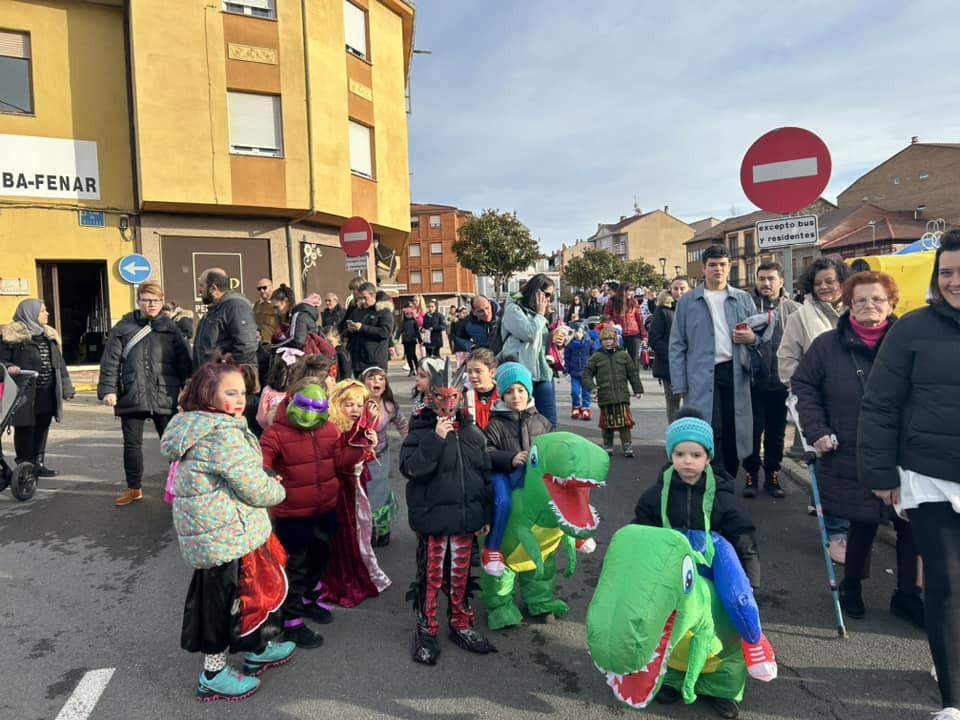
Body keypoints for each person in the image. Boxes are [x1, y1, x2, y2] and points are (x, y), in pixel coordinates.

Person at [858, 230, 960, 720]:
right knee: (946, 583)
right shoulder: (913, 329)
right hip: (930, 475)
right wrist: (879, 471)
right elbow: (880, 404)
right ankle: (953, 702)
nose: (955, 281)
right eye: (947, 273)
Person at [159, 355, 295, 702]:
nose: (240, 400)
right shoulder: (221, 434)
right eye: (231, 393)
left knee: (247, 595)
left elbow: (237, 476)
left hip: (218, 533)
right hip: (225, 537)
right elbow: (251, 486)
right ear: (208, 395)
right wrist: (277, 488)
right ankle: (214, 672)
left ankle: (256, 646)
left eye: (243, 393)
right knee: (223, 604)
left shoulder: (197, 424)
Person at [793, 271, 920, 626]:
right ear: (847, 305)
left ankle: (907, 594)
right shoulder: (826, 346)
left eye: (877, 299)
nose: (869, 306)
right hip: (850, 445)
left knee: (910, 523)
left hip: (904, 448)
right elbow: (804, 384)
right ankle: (852, 586)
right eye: (860, 299)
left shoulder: (908, 341)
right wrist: (816, 429)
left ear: (892, 303)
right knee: (862, 520)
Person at [633, 408, 772, 717]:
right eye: (679, 453)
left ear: (708, 457)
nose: (687, 461)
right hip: (674, 574)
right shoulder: (656, 496)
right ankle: (670, 678)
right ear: (671, 456)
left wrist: (750, 579)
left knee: (721, 634)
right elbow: (641, 531)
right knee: (670, 628)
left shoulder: (723, 498)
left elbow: (744, 538)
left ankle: (722, 687)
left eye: (695, 454)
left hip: (714, 574)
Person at [399, 358, 496, 665]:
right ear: (431, 398)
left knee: (461, 577)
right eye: (440, 398)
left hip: (466, 521)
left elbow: (484, 475)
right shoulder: (421, 430)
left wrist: (486, 516)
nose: (447, 404)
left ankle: (461, 623)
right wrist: (435, 440)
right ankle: (426, 628)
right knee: (431, 577)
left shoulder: (473, 434)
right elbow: (411, 468)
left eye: (453, 397)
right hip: (434, 521)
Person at [260, 381, 364, 647]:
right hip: (292, 514)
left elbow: (339, 461)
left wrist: (358, 445)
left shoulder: (329, 429)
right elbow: (261, 460)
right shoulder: (276, 433)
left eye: (316, 407)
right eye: (304, 405)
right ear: (292, 401)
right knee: (294, 566)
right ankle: (292, 622)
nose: (309, 412)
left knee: (320, 556)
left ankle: (310, 599)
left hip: (325, 509)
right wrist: (268, 474)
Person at [777, 257, 851, 562]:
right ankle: (836, 531)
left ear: (842, 282)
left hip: (856, 401)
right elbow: (786, 360)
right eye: (819, 282)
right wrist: (806, 387)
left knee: (855, 460)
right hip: (818, 403)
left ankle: (858, 521)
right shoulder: (801, 317)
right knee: (827, 463)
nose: (824, 287)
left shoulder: (857, 309)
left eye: (830, 281)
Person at [97, 281, 192, 506]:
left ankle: (181, 487)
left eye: (156, 300)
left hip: (165, 392)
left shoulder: (170, 328)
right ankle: (133, 488)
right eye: (147, 300)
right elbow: (110, 361)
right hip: (132, 391)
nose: (152, 304)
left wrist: (188, 387)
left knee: (173, 444)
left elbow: (184, 361)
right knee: (132, 444)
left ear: (162, 301)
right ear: (138, 301)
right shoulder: (123, 327)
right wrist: (109, 389)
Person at [669, 245, 756, 478]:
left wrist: (753, 338)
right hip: (702, 374)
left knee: (734, 425)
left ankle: (729, 474)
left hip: (736, 371)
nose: (718, 269)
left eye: (723, 264)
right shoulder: (688, 302)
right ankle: (713, 475)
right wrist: (680, 384)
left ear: (729, 267)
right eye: (713, 265)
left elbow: (757, 336)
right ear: (704, 268)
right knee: (709, 425)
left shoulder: (743, 299)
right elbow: (677, 344)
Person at [322, 379, 390, 607]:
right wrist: (365, 437)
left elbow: (362, 457)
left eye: (358, 405)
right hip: (340, 491)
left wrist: (368, 438)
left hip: (354, 487)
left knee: (359, 532)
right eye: (348, 404)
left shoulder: (354, 427)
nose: (354, 409)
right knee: (346, 536)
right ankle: (345, 580)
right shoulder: (332, 428)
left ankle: (358, 575)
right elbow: (342, 462)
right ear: (337, 404)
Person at [480, 362, 552, 576]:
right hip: (504, 472)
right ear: (502, 395)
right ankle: (491, 547)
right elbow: (485, 452)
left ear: (529, 391)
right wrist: (510, 458)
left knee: (555, 494)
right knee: (503, 501)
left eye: (521, 390)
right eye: (509, 391)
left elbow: (551, 447)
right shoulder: (495, 424)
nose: (516, 396)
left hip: (533, 474)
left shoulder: (542, 421)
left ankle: (575, 533)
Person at [741, 263, 799, 499]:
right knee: (752, 432)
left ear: (781, 281)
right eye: (762, 278)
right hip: (753, 382)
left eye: (771, 278)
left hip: (781, 384)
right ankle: (751, 474)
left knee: (776, 433)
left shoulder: (794, 309)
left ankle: (773, 475)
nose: (766, 283)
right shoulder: (747, 306)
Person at [0, 298, 74, 476]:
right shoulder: (12, 336)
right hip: (24, 391)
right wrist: (9, 366)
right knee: (25, 427)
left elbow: (59, 364)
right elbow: (2, 360)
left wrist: (67, 387)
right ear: (30, 313)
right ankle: (24, 465)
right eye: (42, 311)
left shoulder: (48, 336)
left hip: (47, 390)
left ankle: (37, 463)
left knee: (42, 426)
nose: (47, 314)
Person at [500, 274, 558, 428]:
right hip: (523, 373)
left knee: (549, 422)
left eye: (550, 296)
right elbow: (529, 334)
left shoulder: (540, 313)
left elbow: (543, 343)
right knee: (525, 423)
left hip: (544, 372)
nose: (547, 299)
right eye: (546, 294)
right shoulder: (513, 309)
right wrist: (540, 314)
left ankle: (549, 451)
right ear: (535, 291)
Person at [362, 366, 409, 547]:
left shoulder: (389, 406)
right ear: (363, 381)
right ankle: (364, 530)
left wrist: (408, 446)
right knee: (362, 494)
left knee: (380, 492)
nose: (376, 382)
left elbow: (403, 424)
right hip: (358, 457)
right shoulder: (356, 403)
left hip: (380, 456)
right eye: (372, 378)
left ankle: (382, 529)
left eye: (381, 379)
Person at [582, 325, 644, 457]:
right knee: (606, 423)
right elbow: (586, 373)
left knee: (625, 423)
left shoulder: (624, 355)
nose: (608, 342)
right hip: (605, 395)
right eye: (605, 339)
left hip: (622, 395)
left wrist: (637, 389)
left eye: (610, 339)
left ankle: (627, 445)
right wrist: (592, 387)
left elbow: (632, 373)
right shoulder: (596, 357)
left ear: (615, 339)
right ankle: (608, 445)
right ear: (601, 341)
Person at [193, 268, 258, 370]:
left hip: (228, 380)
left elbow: (247, 346)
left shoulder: (236, 306)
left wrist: (229, 371)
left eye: (201, 285)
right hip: (212, 377)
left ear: (213, 288)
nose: (199, 290)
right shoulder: (215, 309)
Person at [649, 276, 689, 423]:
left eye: (682, 288)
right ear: (670, 290)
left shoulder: (695, 308)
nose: (679, 292)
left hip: (692, 364)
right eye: (676, 288)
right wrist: (673, 356)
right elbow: (654, 338)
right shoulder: (663, 310)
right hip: (670, 365)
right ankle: (674, 439)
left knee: (692, 404)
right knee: (673, 404)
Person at [339, 282, 394, 377]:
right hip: (357, 361)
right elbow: (344, 331)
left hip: (374, 361)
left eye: (365, 298)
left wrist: (362, 328)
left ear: (373, 296)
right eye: (360, 298)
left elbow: (385, 332)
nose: (362, 301)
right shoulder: (357, 311)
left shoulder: (383, 311)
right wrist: (349, 330)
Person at [604, 282, 648, 363]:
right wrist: (612, 325)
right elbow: (606, 317)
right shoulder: (612, 301)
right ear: (622, 291)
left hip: (634, 334)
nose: (631, 293)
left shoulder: (634, 302)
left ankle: (634, 376)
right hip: (618, 335)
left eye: (632, 291)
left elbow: (639, 319)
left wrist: (644, 336)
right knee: (618, 359)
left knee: (634, 359)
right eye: (628, 290)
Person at [463, 347, 499, 429]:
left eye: (478, 371)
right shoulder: (463, 394)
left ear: (492, 372)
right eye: (469, 372)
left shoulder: (503, 395)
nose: (473, 376)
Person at [564, 323, 594, 421]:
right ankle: (576, 407)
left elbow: (594, 356)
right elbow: (567, 358)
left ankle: (585, 408)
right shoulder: (570, 345)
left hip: (586, 374)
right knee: (575, 392)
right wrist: (566, 371)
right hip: (574, 373)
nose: (578, 334)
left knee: (586, 392)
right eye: (576, 332)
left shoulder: (589, 343)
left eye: (580, 331)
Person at [252, 278, 280, 346]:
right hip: (259, 344)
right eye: (259, 289)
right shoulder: (256, 304)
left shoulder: (279, 304)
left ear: (272, 288)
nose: (262, 291)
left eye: (264, 288)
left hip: (274, 343)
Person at [397, 306, 422, 376]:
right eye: (407, 314)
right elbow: (399, 331)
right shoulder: (403, 322)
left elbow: (417, 331)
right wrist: (396, 338)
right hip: (405, 340)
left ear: (412, 314)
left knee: (412, 354)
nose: (408, 315)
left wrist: (420, 339)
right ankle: (411, 368)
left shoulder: (414, 322)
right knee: (408, 355)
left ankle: (417, 368)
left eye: (410, 314)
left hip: (412, 340)